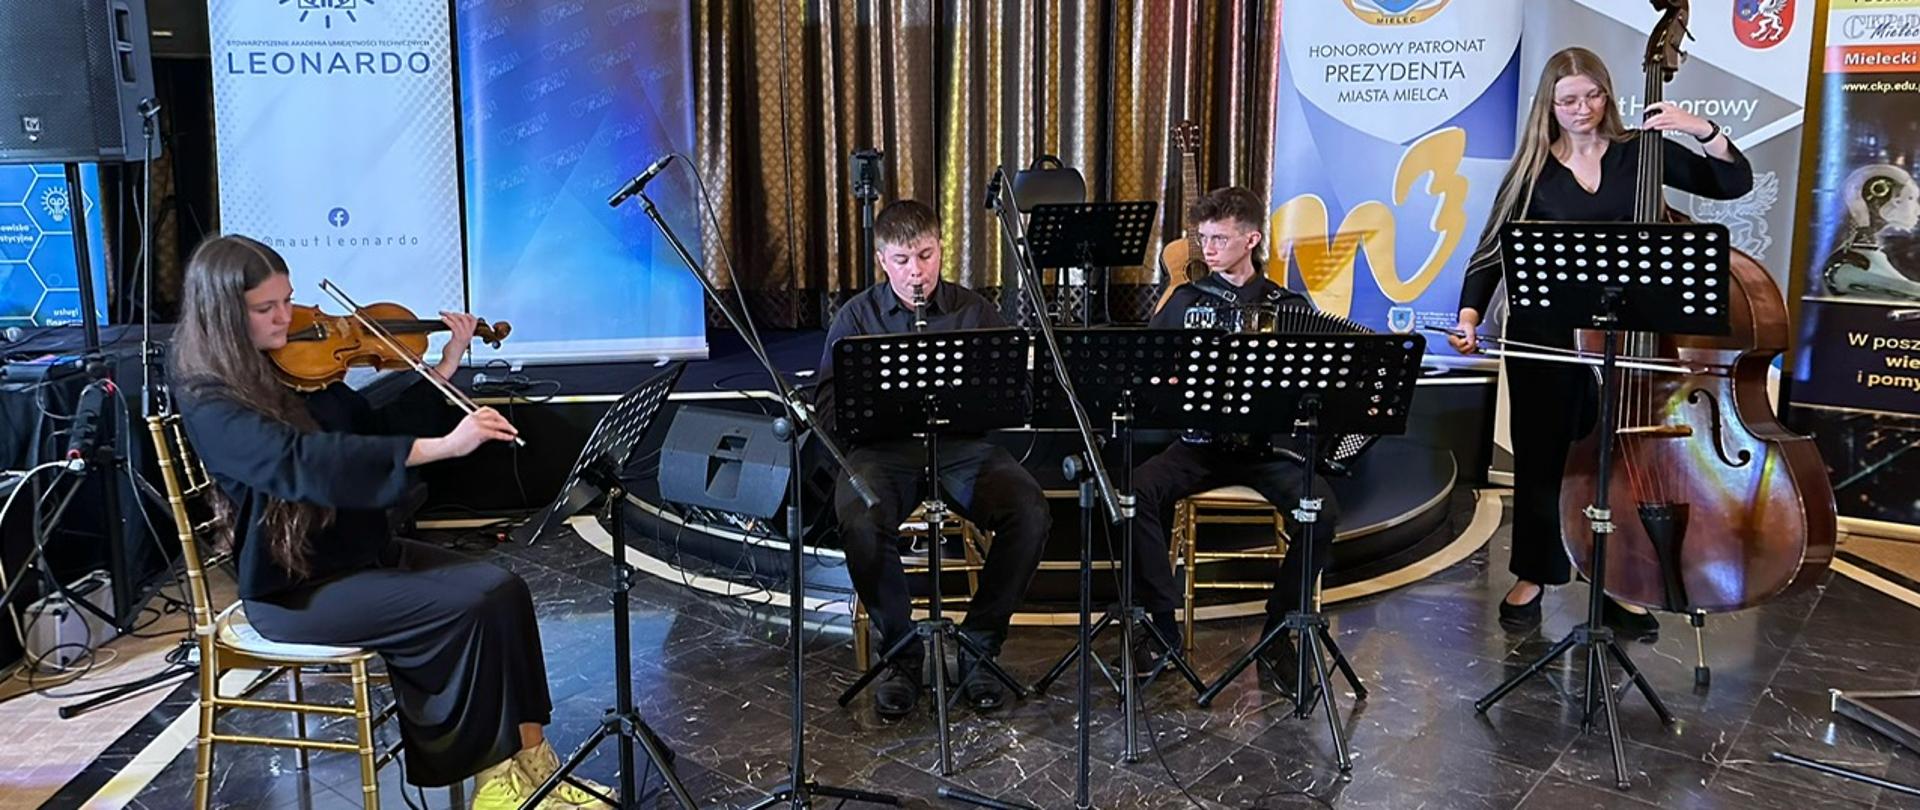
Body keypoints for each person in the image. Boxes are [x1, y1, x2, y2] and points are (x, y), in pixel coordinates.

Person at [171, 235, 609, 809]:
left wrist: (445, 365)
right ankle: (495, 786)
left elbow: (370, 424)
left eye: (288, 299)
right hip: (293, 587)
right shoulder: (210, 395)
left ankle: (534, 767)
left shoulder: (291, 369)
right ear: (224, 314)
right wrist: (443, 446)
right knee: (469, 609)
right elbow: (301, 462)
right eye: (265, 308)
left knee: (504, 591)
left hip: (356, 552)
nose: (286, 318)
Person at [1447, 47, 1754, 641]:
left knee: (1621, 461)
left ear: (1607, 96)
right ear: (1549, 105)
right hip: (1547, 338)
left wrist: (1702, 129)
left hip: (1630, 338)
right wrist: (1470, 316)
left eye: (1592, 96)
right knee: (1542, 456)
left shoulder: (1641, 153)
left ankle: (1618, 579)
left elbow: (1732, 183)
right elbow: (1490, 252)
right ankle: (1535, 573)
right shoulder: (1532, 171)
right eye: (1568, 100)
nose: (1582, 108)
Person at [814, 200, 1050, 719]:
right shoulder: (856, 317)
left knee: (1030, 509)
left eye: (925, 255)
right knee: (859, 516)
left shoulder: (974, 310)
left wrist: (992, 395)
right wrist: (870, 414)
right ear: (882, 260)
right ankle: (901, 656)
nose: (916, 272)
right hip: (885, 450)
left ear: (941, 248)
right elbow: (827, 407)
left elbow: (1018, 393)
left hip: (962, 448)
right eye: (902, 260)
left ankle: (978, 646)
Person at [1131, 186, 1336, 698]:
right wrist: (1168, 383)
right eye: (1203, 238)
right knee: (1136, 492)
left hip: (1265, 452)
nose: (1208, 248)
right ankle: (1161, 627)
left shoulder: (1287, 307)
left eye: (1219, 238)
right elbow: (1147, 372)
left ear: (1251, 240)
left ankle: (1278, 632)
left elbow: (1317, 387)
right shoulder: (1186, 301)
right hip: (1199, 447)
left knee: (1322, 510)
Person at [1823, 165, 1920, 301]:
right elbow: (1903, 289)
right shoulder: (1847, 264)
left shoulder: (1867, 257)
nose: (1918, 210)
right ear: (1877, 203)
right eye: (1910, 198)